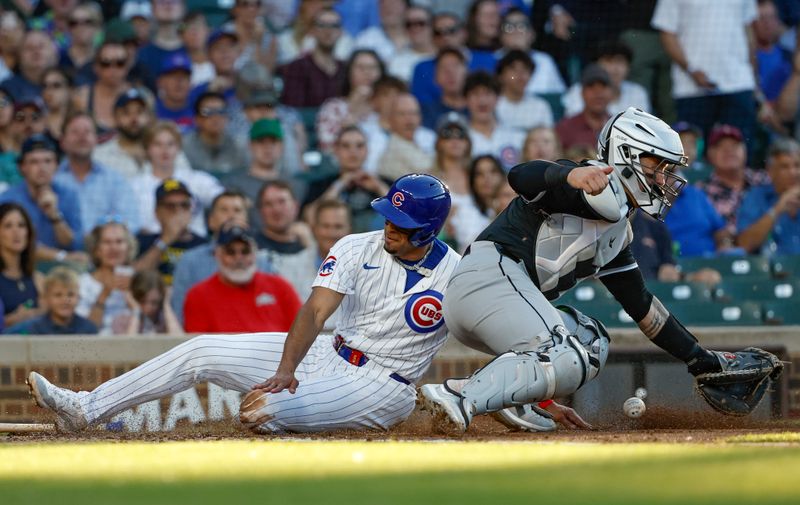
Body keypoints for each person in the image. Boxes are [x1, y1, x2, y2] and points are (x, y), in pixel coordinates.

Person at [419, 108, 783, 434]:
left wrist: (698, 359)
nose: (663, 178)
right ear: (627, 155)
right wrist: (568, 177)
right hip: (485, 279)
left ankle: (516, 401)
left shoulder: (618, 228)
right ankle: (460, 394)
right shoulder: (586, 182)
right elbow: (520, 175)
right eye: (658, 165)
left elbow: (642, 306)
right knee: (567, 353)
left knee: (592, 341)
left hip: (501, 304)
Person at [27, 174, 463, 435]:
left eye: (402, 224)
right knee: (201, 351)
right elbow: (314, 313)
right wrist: (288, 368)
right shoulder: (355, 245)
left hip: (382, 385)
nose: (390, 226)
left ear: (428, 229)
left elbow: (483, 326)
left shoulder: (457, 275)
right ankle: (84, 409)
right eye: (389, 216)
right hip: (327, 353)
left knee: (263, 410)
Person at [652, 0, 761, 157]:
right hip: (691, 88)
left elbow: (748, 29)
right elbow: (667, 33)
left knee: (740, 151)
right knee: (692, 157)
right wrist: (690, 69)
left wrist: (754, 78)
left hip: (739, 82)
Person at [170, 190, 274, 325]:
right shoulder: (190, 261)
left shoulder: (262, 261)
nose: (231, 216)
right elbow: (179, 313)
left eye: (237, 210)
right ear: (211, 221)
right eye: (224, 210)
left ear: (246, 220)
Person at [183, 223, 301, 333]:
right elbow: (199, 348)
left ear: (255, 254)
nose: (239, 258)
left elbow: (302, 333)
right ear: (217, 255)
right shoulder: (198, 295)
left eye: (245, 251)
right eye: (230, 252)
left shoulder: (280, 287)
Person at [54, 112, 141, 234]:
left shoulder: (114, 180)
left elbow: (131, 223)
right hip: (61, 250)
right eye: (75, 132)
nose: (82, 137)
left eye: (87, 132)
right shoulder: (52, 179)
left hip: (107, 249)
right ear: (62, 141)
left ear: (96, 139)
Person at [132, 121, 223, 237]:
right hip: (151, 245)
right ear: (147, 149)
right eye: (157, 144)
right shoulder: (135, 186)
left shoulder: (197, 180)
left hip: (194, 245)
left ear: (178, 148)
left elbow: (223, 199)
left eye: (170, 144)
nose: (165, 150)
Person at [0, 134, 84, 257]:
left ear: (56, 165)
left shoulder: (68, 195)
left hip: (62, 268)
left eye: (48, 161)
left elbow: (74, 245)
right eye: (34, 162)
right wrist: (60, 256)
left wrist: (54, 215)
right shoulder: (8, 199)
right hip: (21, 267)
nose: (42, 168)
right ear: (22, 167)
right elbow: (12, 244)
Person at [307, 125, 387, 233]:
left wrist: (379, 187)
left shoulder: (384, 182)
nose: (353, 152)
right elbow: (310, 218)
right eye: (346, 146)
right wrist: (340, 185)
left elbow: (404, 216)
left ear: (367, 150)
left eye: (359, 146)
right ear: (336, 150)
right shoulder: (322, 184)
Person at [698, 124, 770, 236]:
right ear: (710, 154)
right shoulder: (700, 191)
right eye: (721, 146)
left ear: (745, 151)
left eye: (735, 145)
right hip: (724, 251)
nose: (729, 151)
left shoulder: (765, 180)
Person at [133, 179, 206, 286]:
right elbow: (133, 279)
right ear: (157, 213)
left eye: (184, 205)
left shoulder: (203, 245)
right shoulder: (143, 242)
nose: (178, 211)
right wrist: (165, 240)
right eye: (170, 206)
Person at [737, 137, 800, 255]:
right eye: (785, 167)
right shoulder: (756, 197)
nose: (793, 172)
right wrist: (778, 208)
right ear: (771, 171)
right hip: (770, 271)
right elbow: (744, 243)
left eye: (797, 165)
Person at [76, 221, 138, 335]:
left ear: (128, 248)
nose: (113, 248)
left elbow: (151, 327)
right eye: (107, 242)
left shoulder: (139, 280)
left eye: (119, 242)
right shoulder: (81, 283)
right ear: (96, 250)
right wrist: (104, 294)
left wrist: (134, 295)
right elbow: (84, 332)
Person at [315, 49, 384, 153]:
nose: (367, 72)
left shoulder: (386, 106)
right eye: (361, 67)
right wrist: (353, 112)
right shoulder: (333, 107)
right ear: (349, 72)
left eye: (372, 67)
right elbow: (327, 148)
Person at [277, 8, 346, 108]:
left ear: (341, 32)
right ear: (312, 30)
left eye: (334, 26)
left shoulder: (346, 68)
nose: (328, 31)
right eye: (322, 25)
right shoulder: (298, 67)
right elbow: (293, 110)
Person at [464, 71, 525, 170]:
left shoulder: (517, 137)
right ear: (465, 99)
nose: (482, 101)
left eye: (487, 93)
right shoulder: (460, 140)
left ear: (498, 98)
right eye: (475, 94)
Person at [11, 266, 97, 335]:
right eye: (58, 295)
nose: (65, 300)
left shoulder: (88, 329)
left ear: (78, 297)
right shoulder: (34, 329)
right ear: (46, 298)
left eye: (70, 294)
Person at [0, 202, 44, 329]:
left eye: (21, 225)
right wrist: (12, 320)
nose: (16, 232)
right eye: (8, 226)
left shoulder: (38, 279)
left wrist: (36, 313)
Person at [182, 91, 248, 175]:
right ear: (197, 119)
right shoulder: (185, 147)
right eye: (207, 112)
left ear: (227, 117)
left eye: (221, 111)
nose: (215, 117)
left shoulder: (239, 147)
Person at [555, 64, 613, 153]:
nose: (598, 93)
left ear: (611, 92)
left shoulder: (619, 127)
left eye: (603, 86)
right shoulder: (565, 128)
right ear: (582, 93)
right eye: (591, 87)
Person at [377, 93, 434, 182]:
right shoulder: (392, 153)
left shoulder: (425, 141)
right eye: (402, 114)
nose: (409, 120)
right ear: (391, 119)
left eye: (413, 113)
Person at [495, 50, 553, 133]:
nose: (520, 74)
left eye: (525, 69)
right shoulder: (493, 105)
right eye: (513, 69)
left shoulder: (540, 106)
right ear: (500, 76)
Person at [123, 268, 183, 335]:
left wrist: (166, 304)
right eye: (142, 302)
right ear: (133, 298)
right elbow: (129, 343)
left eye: (154, 302)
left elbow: (178, 340)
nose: (148, 308)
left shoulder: (166, 319)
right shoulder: (123, 320)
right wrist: (136, 310)